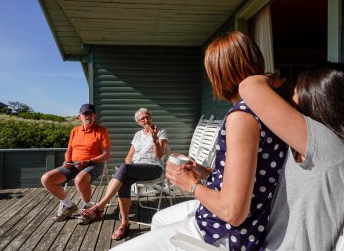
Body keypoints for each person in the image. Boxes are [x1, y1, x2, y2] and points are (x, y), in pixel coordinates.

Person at [109, 31, 288, 251]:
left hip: (225, 232)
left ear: (220, 73)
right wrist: (206, 172)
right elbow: (253, 176)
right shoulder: (268, 111)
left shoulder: (242, 117)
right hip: (238, 220)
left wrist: (189, 184)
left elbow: (234, 212)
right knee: (158, 220)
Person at [238, 62, 344, 250]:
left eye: (295, 94)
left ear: (316, 100)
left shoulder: (326, 144)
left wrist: (271, 78)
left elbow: (249, 87)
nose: (291, 102)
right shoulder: (339, 149)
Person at [80, 108, 168, 240]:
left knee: (124, 169)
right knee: (124, 180)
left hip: (153, 168)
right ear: (138, 122)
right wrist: (130, 166)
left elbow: (160, 155)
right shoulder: (138, 134)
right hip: (136, 168)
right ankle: (124, 223)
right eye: (142, 118)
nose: (146, 119)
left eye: (148, 116)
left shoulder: (160, 132)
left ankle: (100, 206)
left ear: (151, 118)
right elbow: (129, 157)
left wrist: (154, 139)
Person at [41, 103, 111, 221]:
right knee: (46, 179)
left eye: (90, 113)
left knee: (80, 179)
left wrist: (88, 161)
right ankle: (68, 206)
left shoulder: (101, 131)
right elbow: (69, 150)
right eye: (85, 114)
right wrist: (67, 161)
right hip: (73, 164)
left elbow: (106, 154)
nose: (87, 116)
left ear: (94, 116)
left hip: (94, 164)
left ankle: (87, 207)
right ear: (80, 117)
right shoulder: (75, 131)